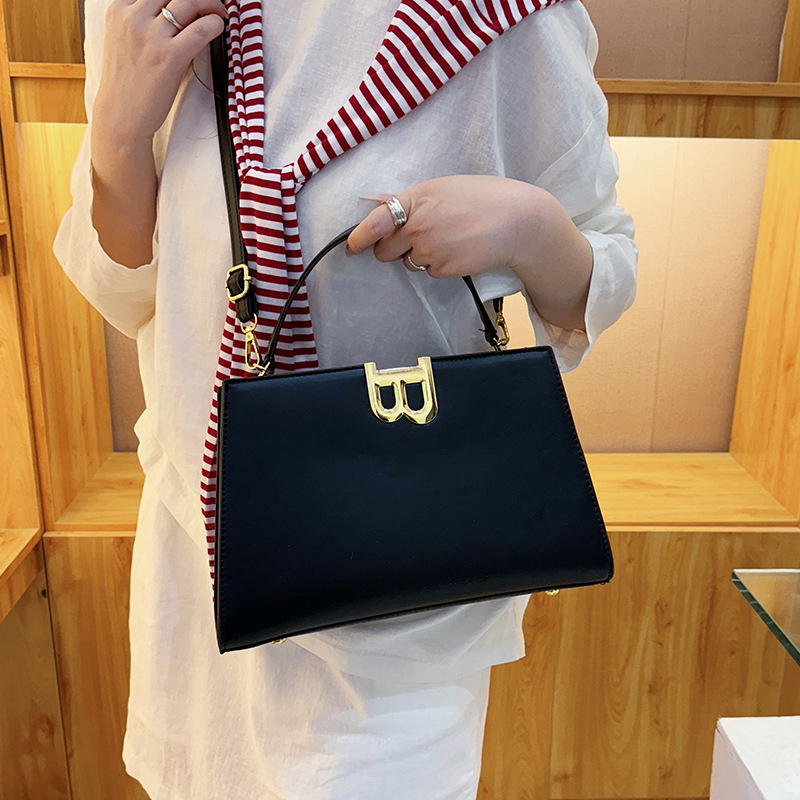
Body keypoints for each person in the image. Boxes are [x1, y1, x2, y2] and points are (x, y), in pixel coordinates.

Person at [54, 0, 638, 798]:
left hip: (407, 609)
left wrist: (529, 226)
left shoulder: (510, 17)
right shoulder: (147, 11)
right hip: (202, 574)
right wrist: (118, 137)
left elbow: (604, 267)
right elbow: (125, 291)